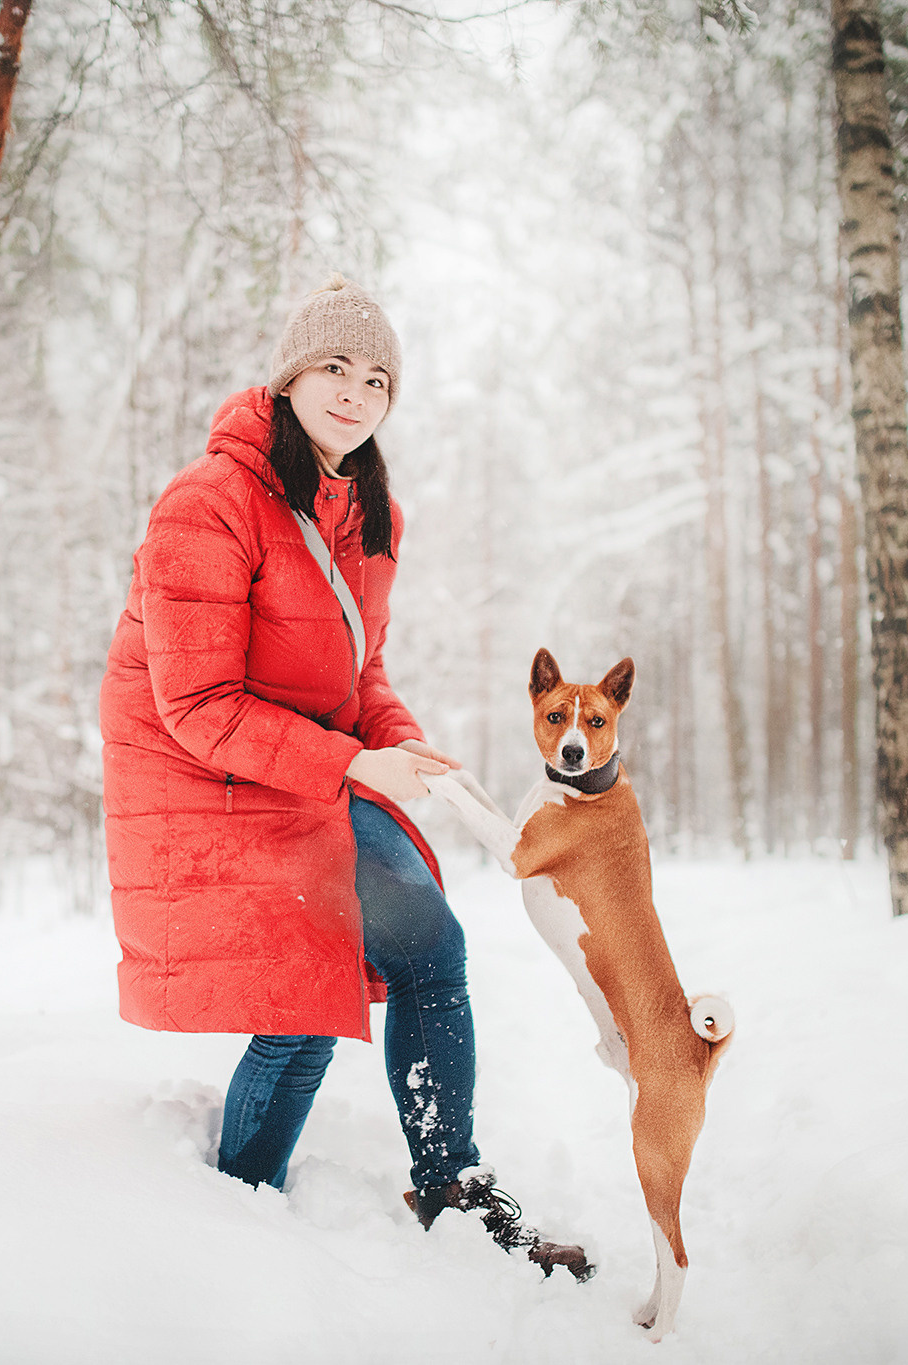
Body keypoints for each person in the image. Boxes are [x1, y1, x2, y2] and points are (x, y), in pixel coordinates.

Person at [99, 275, 590, 1277]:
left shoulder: (368, 513)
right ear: (287, 377)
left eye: (376, 379)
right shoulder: (208, 502)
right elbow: (193, 706)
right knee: (301, 1005)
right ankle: (231, 1212)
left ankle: (450, 1185)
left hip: (312, 771)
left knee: (429, 943)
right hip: (209, 778)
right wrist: (356, 761)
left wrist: (404, 746)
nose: (354, 393)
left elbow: (358, 676)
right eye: (333, 367)